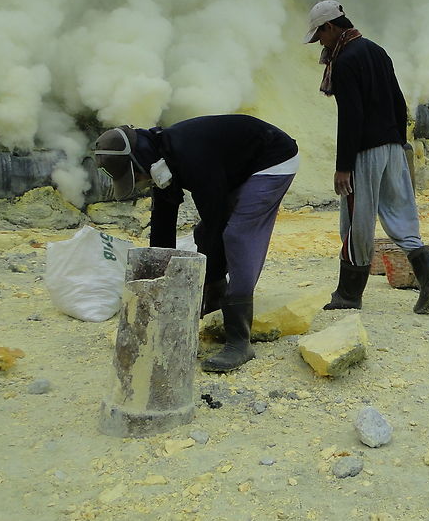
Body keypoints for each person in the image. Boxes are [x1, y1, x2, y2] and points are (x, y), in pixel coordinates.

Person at [92, 115, 298, 373]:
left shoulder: (191, 157)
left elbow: (217, 219)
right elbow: (163, 225)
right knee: (203, 235)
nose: (143, 182)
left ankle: (239, 340)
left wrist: (203, 278)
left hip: (273, 160)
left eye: (139, 176)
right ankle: (215, 302)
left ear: (140, 161)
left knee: (237, 236)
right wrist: (158, 283)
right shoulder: (160, 157)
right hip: (240, 165)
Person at [303, 0, 429, 314]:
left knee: (356, 222)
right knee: (401, 214)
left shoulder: (344, 61)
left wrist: (343, 167)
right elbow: (398, 101)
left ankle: (349, 295)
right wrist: (400, 143)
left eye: (319, 36)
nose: (319, 43)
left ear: (330, 27)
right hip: (392, 147)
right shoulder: (377, 51)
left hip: (365, 152)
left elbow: (350, 117)